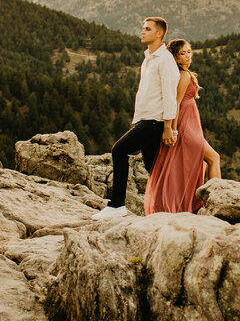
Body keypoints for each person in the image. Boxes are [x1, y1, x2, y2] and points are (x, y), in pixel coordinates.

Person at [92, 17, 180, 219]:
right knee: (153, 168)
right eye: (143, 28)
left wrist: (168, 126)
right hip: (145, 119)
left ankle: (117, 206)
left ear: (159, 33)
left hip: (155, 121)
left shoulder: (165, 60)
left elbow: (170, 95)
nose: (142, 32)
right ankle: (172, 207)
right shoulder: (149, 58)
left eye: (147, 29)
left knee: (119, 150)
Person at [144, 38, 221, 214]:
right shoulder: (184, 75)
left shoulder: (179, 73)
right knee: (214, 158)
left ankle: (202, 200)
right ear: (175, 57)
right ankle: (217, 199)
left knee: (189, 166)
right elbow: (175, 104)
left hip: (187, 126)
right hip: (186, 127)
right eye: (183, 53)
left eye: (189, 52)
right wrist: (173, 129)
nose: (188, 56)